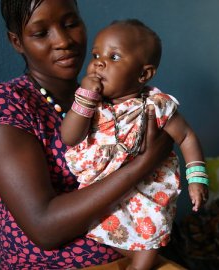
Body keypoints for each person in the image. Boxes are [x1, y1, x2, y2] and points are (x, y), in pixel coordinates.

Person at [0, 1, 183, 269]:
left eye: (71, 23)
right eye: (41, 33)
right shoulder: (6, 103)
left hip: (133, 252)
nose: (63, 41)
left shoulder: (110, 97)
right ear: (17, 42)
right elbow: (44, 228)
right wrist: (144, 163)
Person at [61, 19, 209, 270]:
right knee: (107, 230)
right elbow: (70, 137)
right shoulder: (92, 104)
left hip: (148, 190)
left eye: (114, 56)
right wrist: (84, 99)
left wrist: (197, 177)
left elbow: (186, 137)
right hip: (103, 188)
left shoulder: (156, 105)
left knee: (150, 240)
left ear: (143, 74)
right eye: (96, 54)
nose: (99, 62)